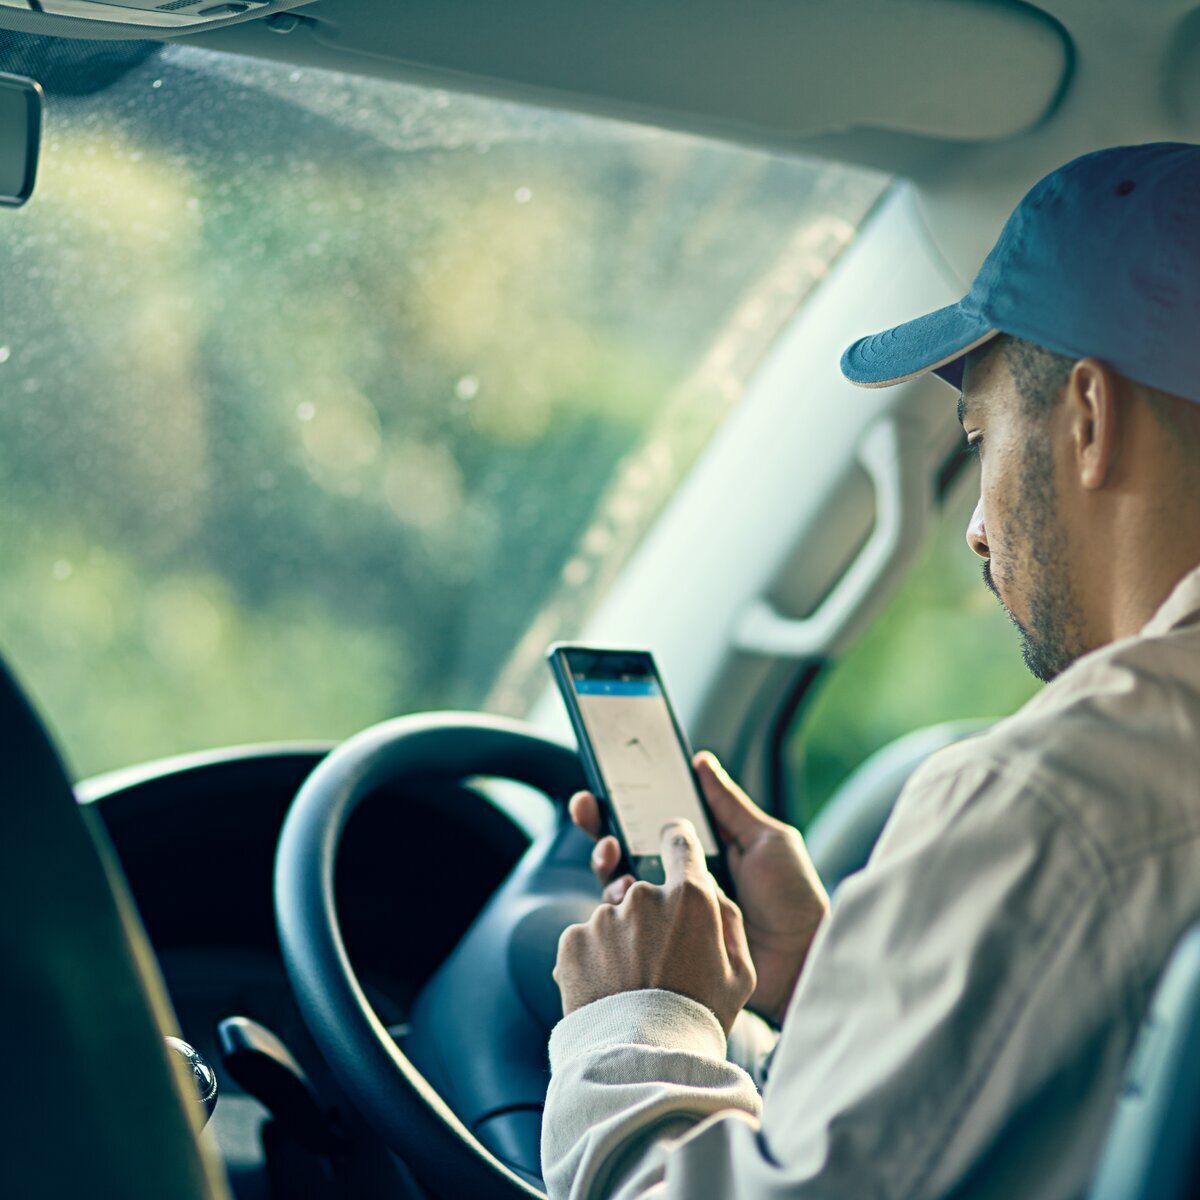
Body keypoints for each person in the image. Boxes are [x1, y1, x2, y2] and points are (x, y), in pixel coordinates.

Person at [541, 141, 1200, 1200]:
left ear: (1089, 417)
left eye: (979, 437)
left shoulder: (1060, 798)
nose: (978, 531)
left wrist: (638, 1029)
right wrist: (827, 980)